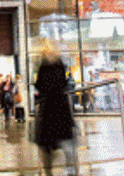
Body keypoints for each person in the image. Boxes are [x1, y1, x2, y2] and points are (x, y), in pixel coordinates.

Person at [34, 40, 76, 175]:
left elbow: (39, 84)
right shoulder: (60, 64)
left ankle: (49, 172)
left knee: (46, 145)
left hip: (48, 108)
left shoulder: (43, 65)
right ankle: (71, 170)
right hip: (61, 106)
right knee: (67, 141)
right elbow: (63, 82)